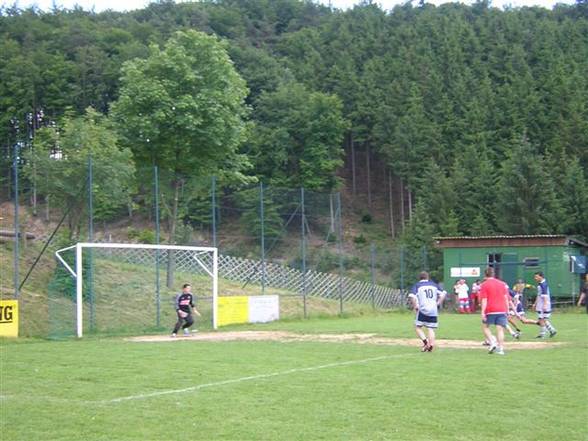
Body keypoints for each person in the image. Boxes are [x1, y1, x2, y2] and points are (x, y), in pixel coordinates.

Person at [408, 271, 446, 352]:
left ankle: (425, 343)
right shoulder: (433, 284)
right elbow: (443, 293)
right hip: (433, 309)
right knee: (431, 328)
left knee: (418, 327)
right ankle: (431, 344)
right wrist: (438, 303)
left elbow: (412, 296)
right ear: (427, 277)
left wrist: (415, 306)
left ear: (420, 278)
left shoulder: (417, 285)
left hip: (423, 309)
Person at [479, 267, 510, 355]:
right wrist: (507, 310)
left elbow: (484, 300)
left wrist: (482, 312)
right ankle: (501, 349)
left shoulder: (484, 285)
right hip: (501, 309)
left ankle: (492, 343)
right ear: (493, 274)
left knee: (485, 327)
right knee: (500, 330)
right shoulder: (502, 284)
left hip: (490, 309)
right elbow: (505, 298)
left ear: (485, 274)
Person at [533, 272, 557, 338]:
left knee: (543, 319)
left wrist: (545, 305)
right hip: (540, 304)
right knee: (541, 319)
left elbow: (545, 296)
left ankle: (546, 333)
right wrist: (535, 303)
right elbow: (539, 295)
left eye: (536, 277)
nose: (535, 278)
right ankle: (550, 331)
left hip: (543, 305)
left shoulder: (543, 285)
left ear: (541, 277)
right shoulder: (540, 284)